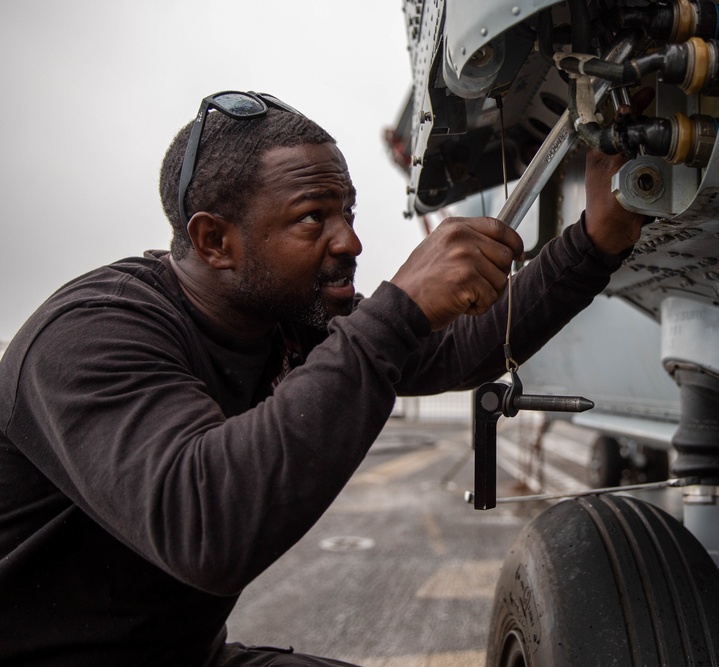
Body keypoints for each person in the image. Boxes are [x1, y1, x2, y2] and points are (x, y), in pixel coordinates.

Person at [0, 90, 644, 666]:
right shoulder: (90, 336)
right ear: (214, 241)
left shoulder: (287, 319)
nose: (351, 243)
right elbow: (206, 527)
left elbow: (456, 350)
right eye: (315, 218)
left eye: (349, 212)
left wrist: (594, 241)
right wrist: (400, 308)